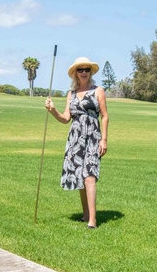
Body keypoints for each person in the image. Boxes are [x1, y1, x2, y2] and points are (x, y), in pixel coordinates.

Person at [46, 57, 109, 227]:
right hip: (75, 138)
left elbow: (104, 116)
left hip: (92, 137)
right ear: (75, 73)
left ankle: (93, 220)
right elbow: (66, 118)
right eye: (80, 70)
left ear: (90, 72)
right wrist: (53, 111)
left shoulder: (98, 91)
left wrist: (104, 139)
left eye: (86, 69)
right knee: (81, 177)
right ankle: (85, 214)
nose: (83, 73)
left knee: (90, 176)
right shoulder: (71, 94)